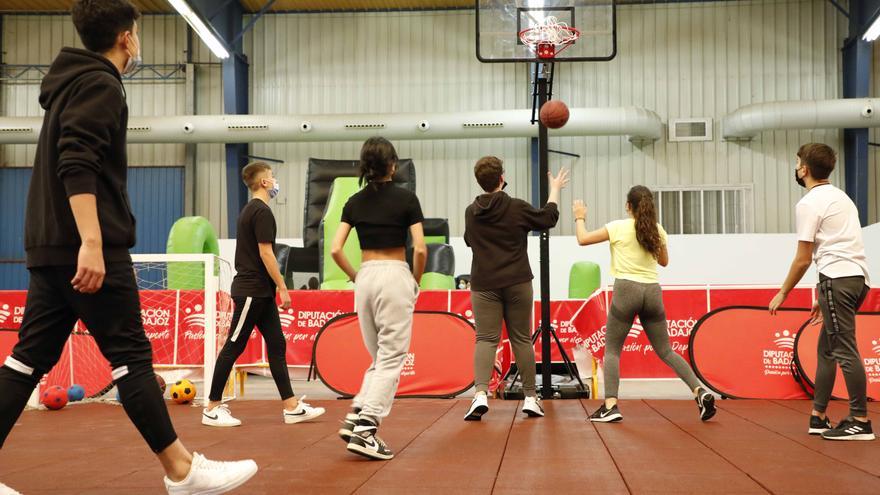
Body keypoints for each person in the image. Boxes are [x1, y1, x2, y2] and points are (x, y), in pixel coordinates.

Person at [0, 2, 258, 493]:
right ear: (127, 38)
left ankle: (181, 467)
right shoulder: (100, 83)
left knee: (27, 360)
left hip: (49, 246)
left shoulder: (68, 84)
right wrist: (93, 244)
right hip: (85, 248)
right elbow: (76, 161)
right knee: (132, 359)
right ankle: (182, 471)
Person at [573, 186, 715, 423]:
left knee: (612, 350)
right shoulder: (657, 230)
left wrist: (579, 216)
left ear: (629, 206)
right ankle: (700, 391)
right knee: (666, 351)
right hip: (652, 293)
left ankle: (611, 406)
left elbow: (583, 239)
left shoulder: (618, 227)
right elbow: (664, 261)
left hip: (626, 290)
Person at [202, 162, 325, 427]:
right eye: (272, 177)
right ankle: (211, 407)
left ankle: (291, 407)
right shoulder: (261, 211)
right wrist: (283, 287)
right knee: (234, 345)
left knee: (277, 345)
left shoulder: (253, 210)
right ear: (264, 183)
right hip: (251, 291)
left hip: (261, 293)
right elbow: (266, 253)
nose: (275, 181)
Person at [769, 143, 874, 441]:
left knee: (843, 349)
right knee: (827, 348)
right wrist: (823, 296)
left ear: (804, 169)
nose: (797, 166)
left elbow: (803, 258)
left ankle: (860, 420)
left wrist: (783, 293)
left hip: (837, 281)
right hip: (854, 280)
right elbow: (840, 247)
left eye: (798, 161)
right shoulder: (842, 198)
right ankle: (818, 416)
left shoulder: (809, 203)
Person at [331, 137, 427, 461]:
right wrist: (415, 280)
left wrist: (356, 276)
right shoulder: (407, 199)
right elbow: (422, 248)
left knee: (378, 358)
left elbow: (335, 249)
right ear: (393, 166)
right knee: (391, 358)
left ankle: (358, 411)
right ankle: (367, 428)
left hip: (366, 276)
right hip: (395, 274)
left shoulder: (353, 202)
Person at [462, 156, 569, 420]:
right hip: (518, 281)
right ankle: (531, 398)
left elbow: (468, 241)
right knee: (521, 338)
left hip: (484, 283)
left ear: (480, 182)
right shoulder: (516, 207)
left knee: (486, 339)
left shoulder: (470, 211)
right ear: (502, 178)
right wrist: (554, 189)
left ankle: (479, 394)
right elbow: (548, 218)